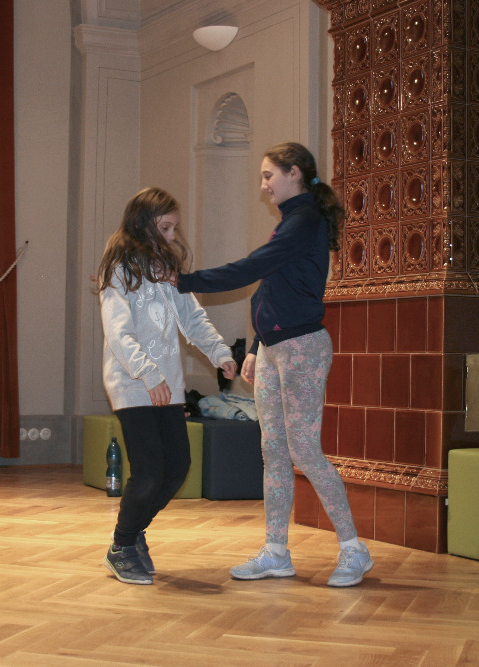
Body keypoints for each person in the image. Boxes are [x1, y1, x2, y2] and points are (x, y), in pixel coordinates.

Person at [174, 142, 373, 587]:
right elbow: (270, 288)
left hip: (302, 347)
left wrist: (184, 281)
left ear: (294, 172)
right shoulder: (290, 222)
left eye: (269, 175)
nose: (263, 185)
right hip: (273, 349)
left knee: (304, 450)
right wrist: (255, 346)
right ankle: (276, 552)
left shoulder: (305, 221)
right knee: (274, 451)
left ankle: (353, 549)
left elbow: (250, 269)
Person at [97, 187, 237, 585]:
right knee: (149, 470)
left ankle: (134, 532)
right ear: (143, 224)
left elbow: (192, 318)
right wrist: (148, 373)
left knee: (177, 468)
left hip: (167, 386)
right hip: (133, 382)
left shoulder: (166, 268)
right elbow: (118, 332)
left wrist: (220, 352)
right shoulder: (119, 269)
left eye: (175, 228)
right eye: (165, 227)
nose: (173, 236)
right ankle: (121, 546)